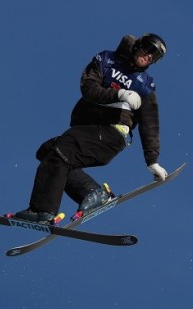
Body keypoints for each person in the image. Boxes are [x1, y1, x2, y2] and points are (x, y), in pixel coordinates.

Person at [13, 33, 169, 224]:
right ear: (138, 45)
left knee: (64, 148)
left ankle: (42, 211)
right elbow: (88, 88)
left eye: (154, 57)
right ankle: (91, 193)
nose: (148, 57)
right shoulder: (106, 60)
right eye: (148, 50)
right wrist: (119, 93)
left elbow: (150, 122)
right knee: (48, 151)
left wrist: (152, 160)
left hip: (113, 133)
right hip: (90, 128)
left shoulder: (145, 86)